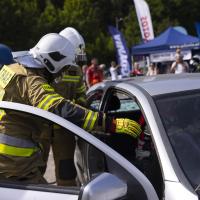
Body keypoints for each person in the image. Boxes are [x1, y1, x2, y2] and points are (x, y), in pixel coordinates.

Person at [0, 33, 142, 184]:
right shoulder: (31, 81)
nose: (59, 75)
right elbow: (60, 108)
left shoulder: (12, 69)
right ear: (52, 61)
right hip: (14, 164)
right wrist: (109, 123)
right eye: (61, 70)